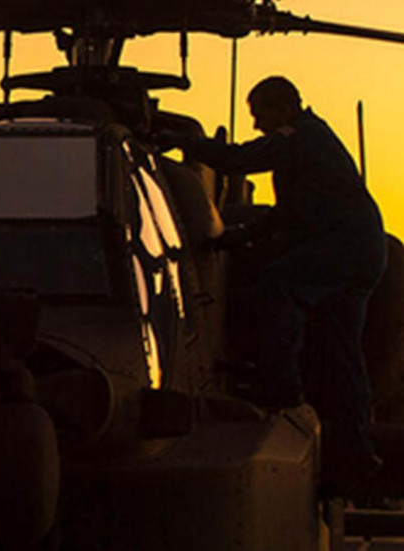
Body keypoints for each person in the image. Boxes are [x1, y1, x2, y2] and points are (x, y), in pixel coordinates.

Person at [161, 76, 386, 489]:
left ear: (283, 108)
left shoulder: (295, 135)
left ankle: (280, 383)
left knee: (277, 284)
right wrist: (240, 237)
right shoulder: (310, 143)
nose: (257, 125)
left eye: (260, 114)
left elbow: (239, 160)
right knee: (343, 353)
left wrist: (184, 143)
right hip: (364, 250)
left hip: (344, 245)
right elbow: (288, 212)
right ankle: (356, 448)